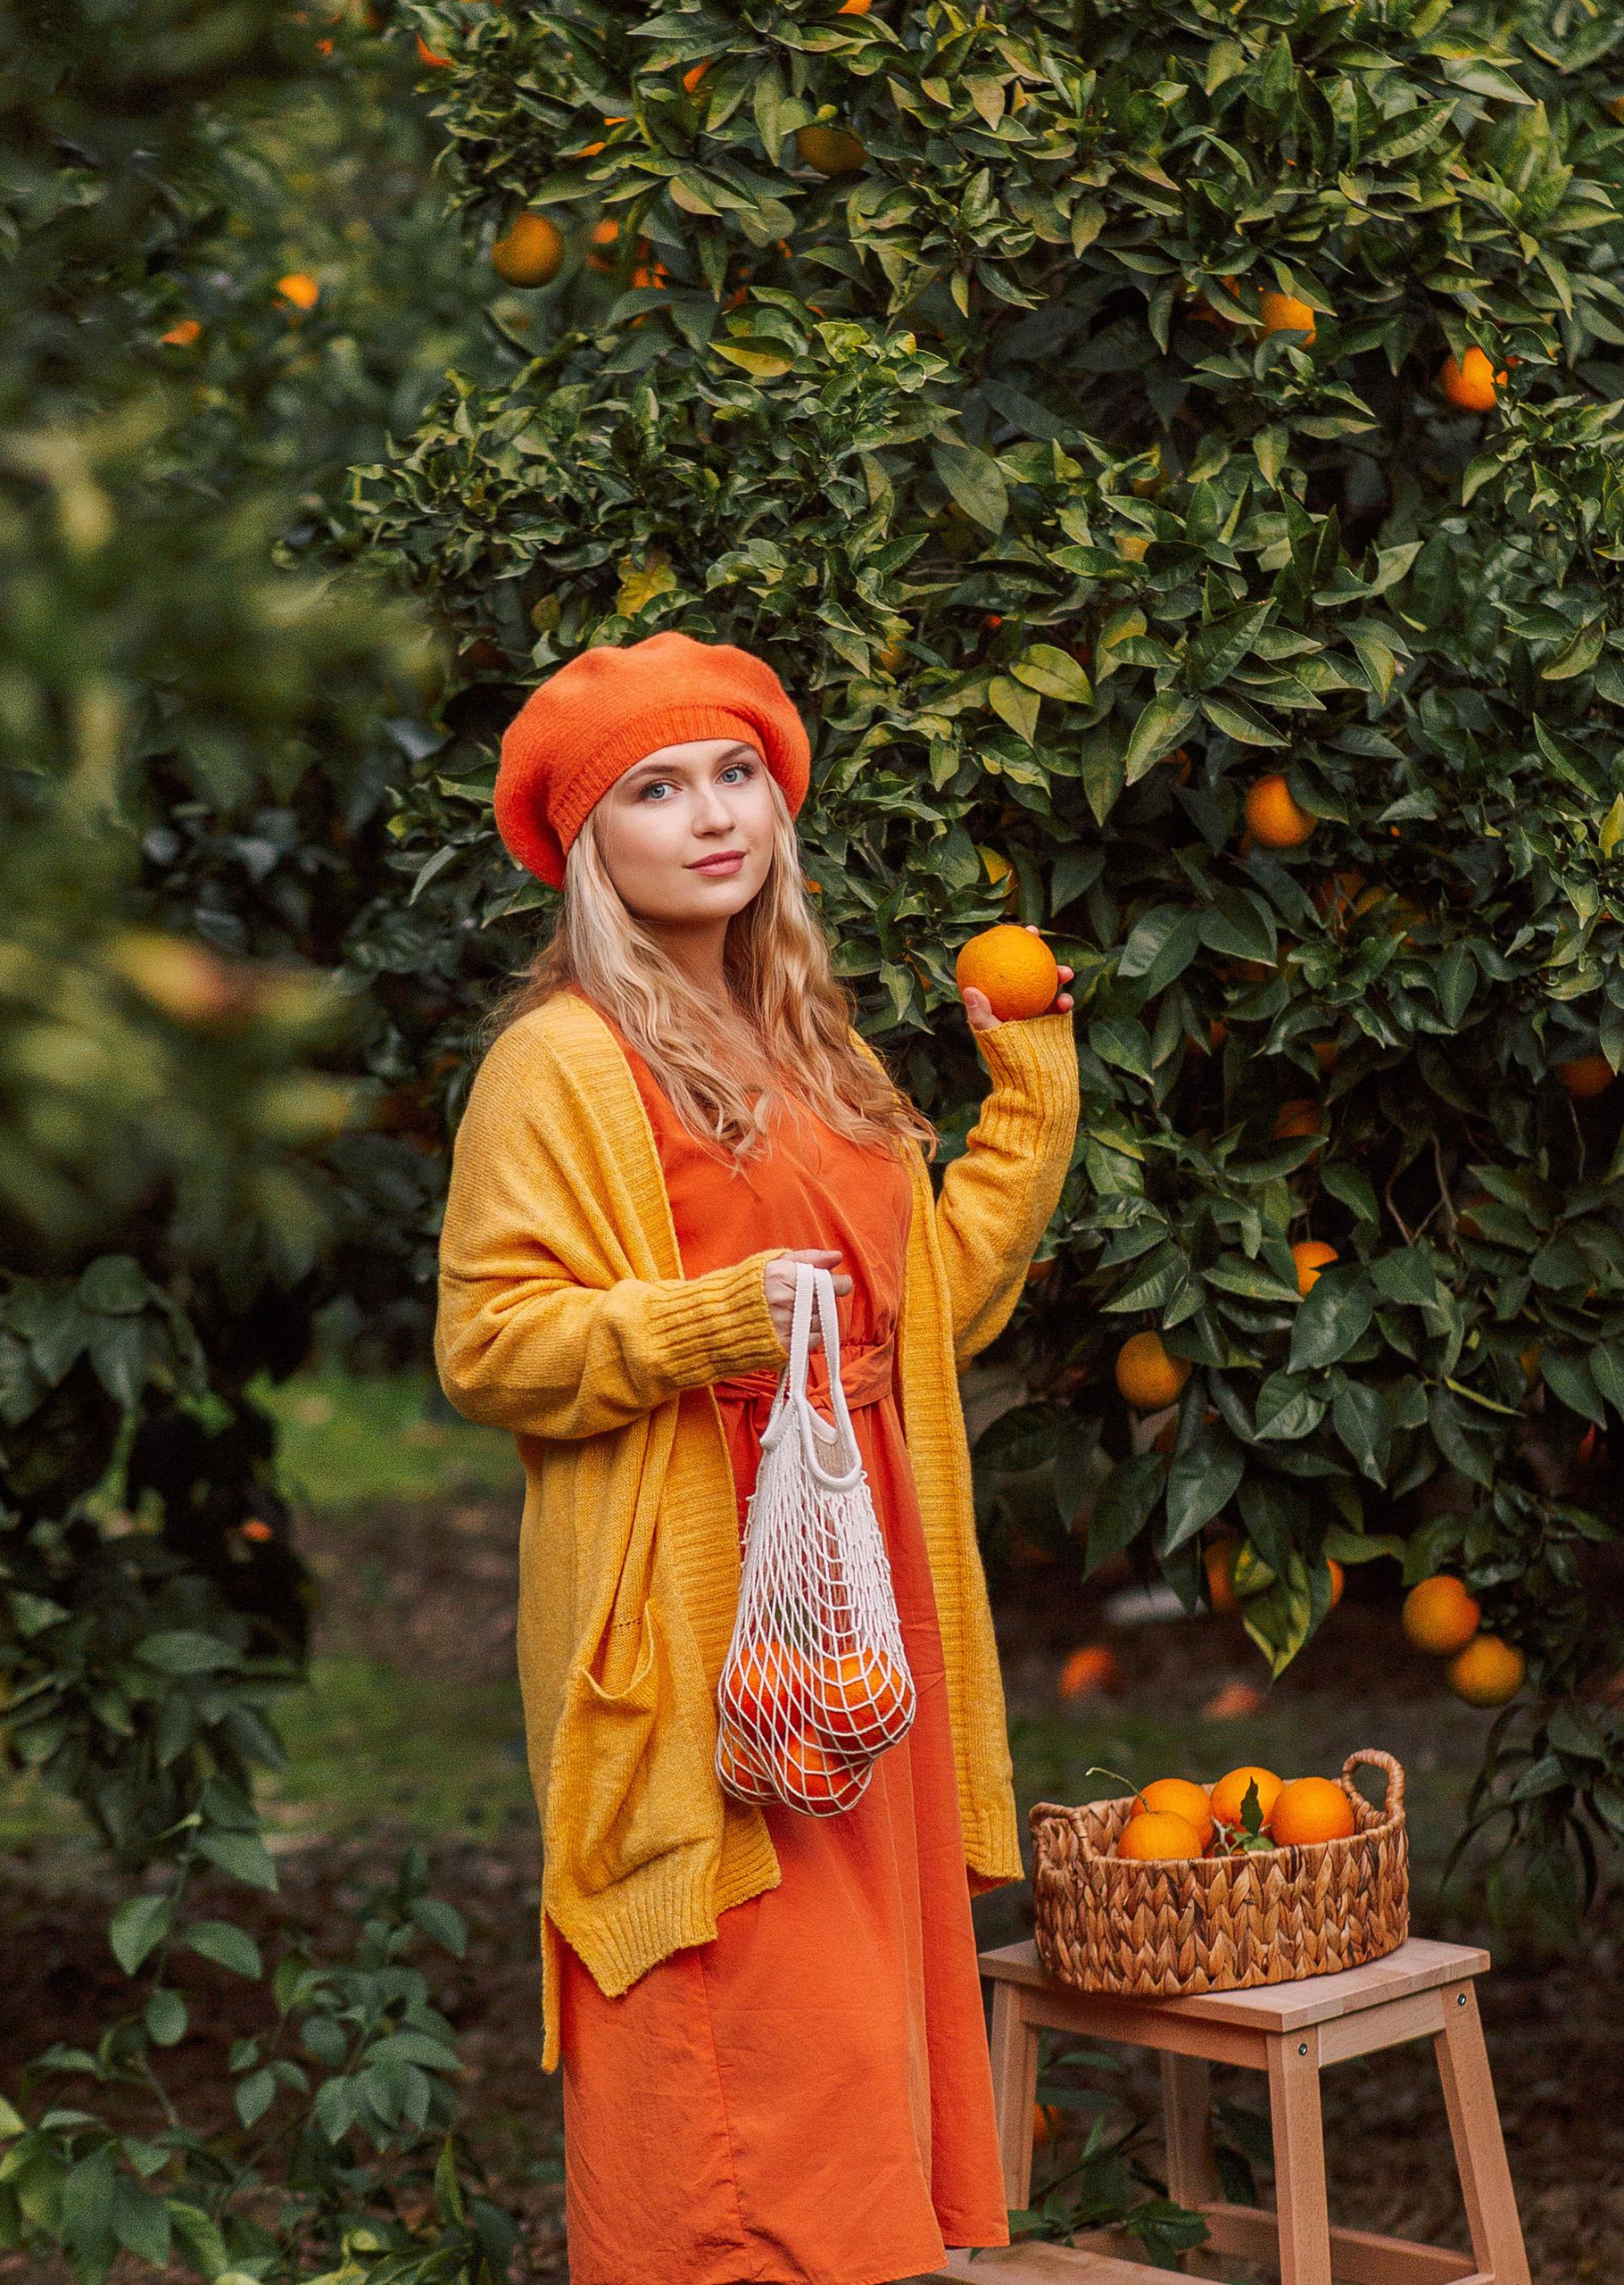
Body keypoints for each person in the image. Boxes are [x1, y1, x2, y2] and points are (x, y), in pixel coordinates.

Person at [433, 629, 1080, 2285]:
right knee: (744, 2058)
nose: (711, 816)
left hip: (858, 1600)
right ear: (591, 845)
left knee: (859, 2039)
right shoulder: (561, 1060)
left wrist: (1031, 1112)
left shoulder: (813, 1047)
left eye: (735, 775)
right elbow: (492, 1346)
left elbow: (922, 1311)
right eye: (656, 790)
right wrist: (706, 1326)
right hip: (702, 1618)